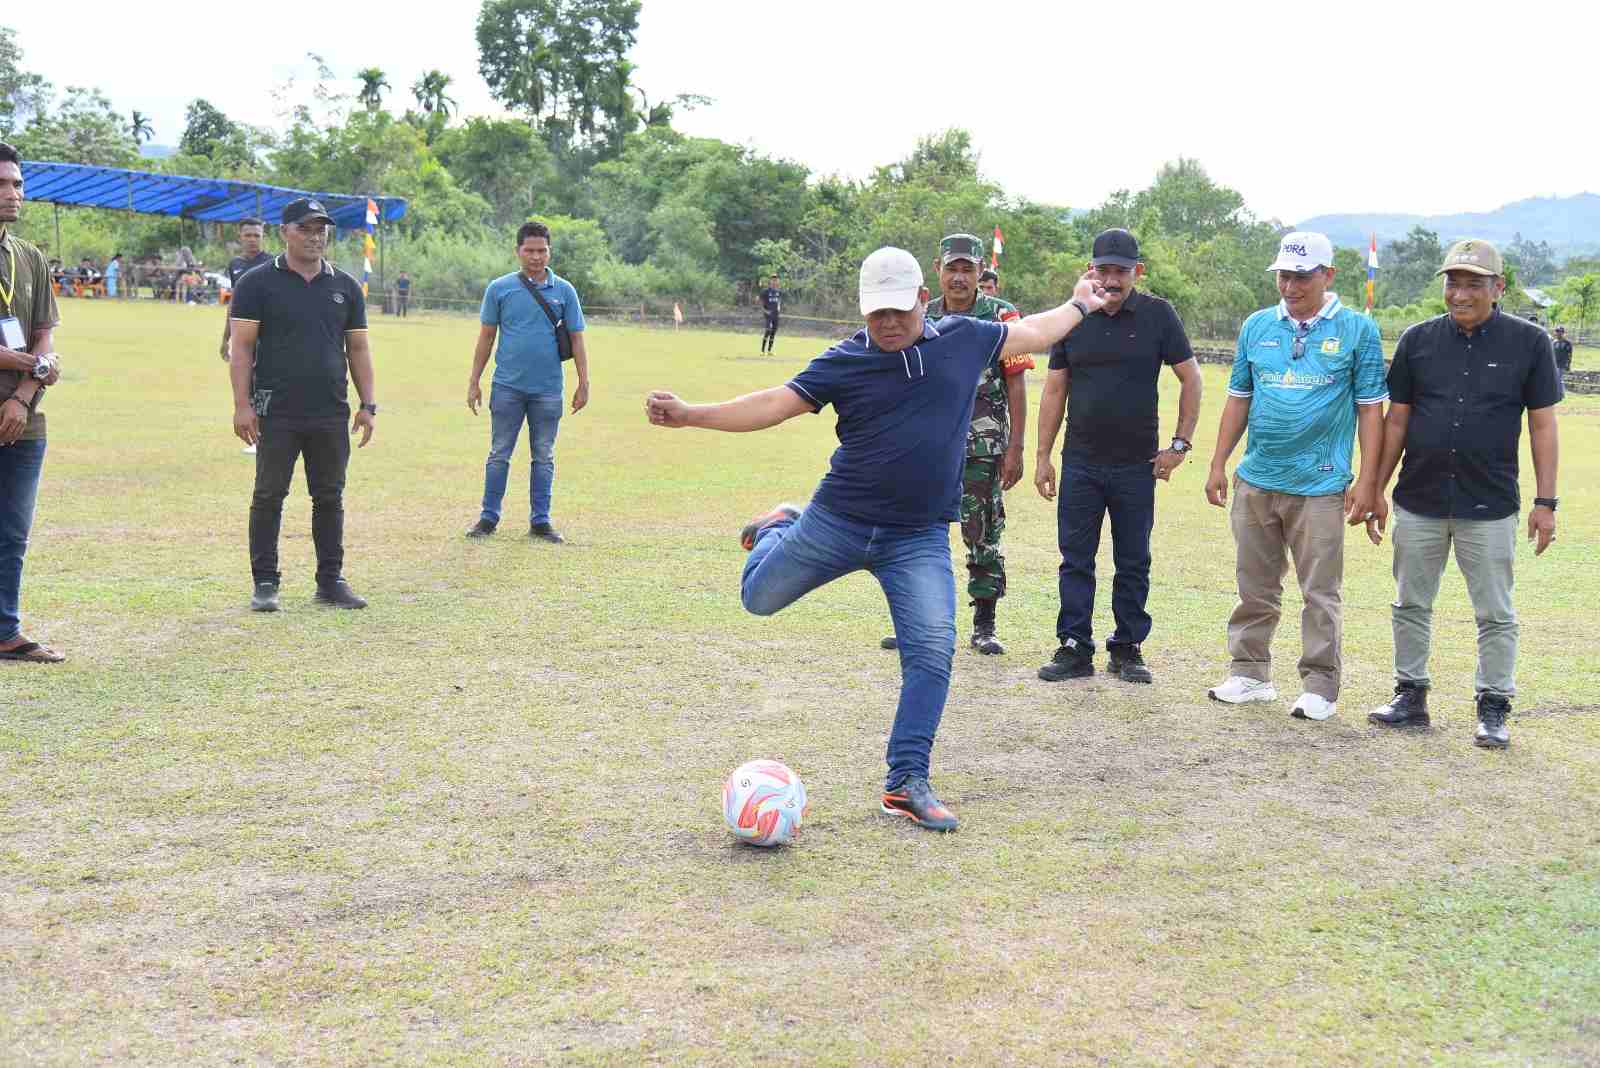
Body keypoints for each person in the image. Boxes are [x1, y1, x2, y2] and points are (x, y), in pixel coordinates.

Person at [644, 246, 1108, 832]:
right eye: (874, 314)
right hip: (836, 522)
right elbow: (771, 406)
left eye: (897, 311)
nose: (887, 324)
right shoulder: (844, 361)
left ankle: (906, 781)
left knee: (933, 651)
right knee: (757, 598)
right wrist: (691, 414)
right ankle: (781, 524)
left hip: (916, 537)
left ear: (921, 300)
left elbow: (1036, 331)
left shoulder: (964, 339)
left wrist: (1080, 303)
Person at [1364, 239, 1562, 749]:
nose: (1460, 293)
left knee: (1495, 612)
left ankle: (1493, 706)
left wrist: (1546, 502)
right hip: (1420, 498)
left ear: (1498, 287)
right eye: (1453, 282)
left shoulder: (1530, 344)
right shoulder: (1417, 340)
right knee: (1410, 602)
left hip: (1490, 504)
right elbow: (1398, 421)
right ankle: (1410, 695)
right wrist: (1375, 490)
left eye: (1474, 283)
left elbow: (1542, 426)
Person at [1203, 231, 1387, 722]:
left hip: (1322, 485)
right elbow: (1239, 398)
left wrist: (1369, 482)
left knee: (1319, 591)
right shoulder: (1257, 326)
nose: (1290, 285)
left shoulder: (1358, 330)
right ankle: (1249, 673)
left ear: (1328, 276)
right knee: (1254, 585)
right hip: (1257, 479)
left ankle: (1320, 686)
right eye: (1284, 275)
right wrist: (1219, 463)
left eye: (1302, 276)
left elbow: (1372, 410)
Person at [1035, 228, 1202, 683]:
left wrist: (1179, 445)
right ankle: (1074, 646)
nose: (1111, 279)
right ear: (1090, 270)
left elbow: (1191, 379)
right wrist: (1043, 455)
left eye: (1121, 271)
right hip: (1081, 463)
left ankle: (1127, 648)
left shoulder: (1158, 316)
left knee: (1133, 559)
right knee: (1076, 558)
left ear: (1137, 272)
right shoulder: (1073, 317)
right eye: (1103, 269)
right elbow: (1055, 388)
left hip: (1137, 464)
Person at [880, 233, 1028, 655]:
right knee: (914, 535)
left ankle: (984, 624)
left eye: (967, 269)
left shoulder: (1002, 316)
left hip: (983, 446)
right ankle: (915, 622)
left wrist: (1015, 447)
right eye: (952, 268)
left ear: (981, 271)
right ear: (938, 270)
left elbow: (1016, 382)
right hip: (926, 447)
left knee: (981, 532)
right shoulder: (919, 316)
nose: (959, 277)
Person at [228, 198, 378, 613]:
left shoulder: (344, 286)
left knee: (329, 497)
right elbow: (241, 349)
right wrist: (242, 406)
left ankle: (330, 581)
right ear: (285, 232)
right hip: (275, 410)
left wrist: (368, 404)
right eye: (306, 229)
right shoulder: (256, 283)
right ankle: (265, 583)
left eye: (321, 230)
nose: (315, 237)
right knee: (269, 495)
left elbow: (359, 348)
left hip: (331, 411)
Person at [464, 220, 591, 542]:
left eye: (542, 250)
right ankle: (488, 518)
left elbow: (577, 339)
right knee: (499, 454)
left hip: (548, 389)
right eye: (530, 250)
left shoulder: (565, 291)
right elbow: (486, 338)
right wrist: (474, 380)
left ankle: (541, 520)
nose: (536, 257)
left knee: (544, 456)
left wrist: (583, 382)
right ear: (518, 251)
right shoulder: (499, 288)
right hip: (507, 386)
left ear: (550, 251)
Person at [0, 140, 66, 663]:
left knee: (12, 532)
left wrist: (24, 394)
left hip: (21, 417)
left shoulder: (29, 258)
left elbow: (43, 331)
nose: (13, 193)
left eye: (18, 183)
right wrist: (31, 365)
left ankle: (6, 631)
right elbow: (35, 356)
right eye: (2, 184)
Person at [221, 218, 271, 360]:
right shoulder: (234, 264)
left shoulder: (273, 263)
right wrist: (225, 338)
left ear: (263, 237)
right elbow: (233, 302)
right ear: (240, 237)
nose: (252, 240)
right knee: (242, 377)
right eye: (247, 235)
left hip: (268, 334)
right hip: (242, 332)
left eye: (256, 235)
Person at [758, 273, 781, 354]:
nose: (774, 281)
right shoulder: (765, 291)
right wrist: (765, 310)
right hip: (768, 314)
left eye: (776, 279)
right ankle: (762, 350)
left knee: (773, 332)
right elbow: (760, 302)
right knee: (768, 330)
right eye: (773, 279)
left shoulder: (778, 291)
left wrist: (779, 308)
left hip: (776, 314)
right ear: (770, 281)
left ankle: (769, 350)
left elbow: (778, 302)